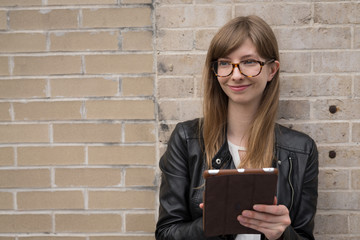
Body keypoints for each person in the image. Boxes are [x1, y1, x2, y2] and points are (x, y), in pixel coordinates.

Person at [155, 15, 318, 240]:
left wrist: (282, 234)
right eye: (224, 63)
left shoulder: (302, 150)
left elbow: (303, 235)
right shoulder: (186, 139)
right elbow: (166, 234)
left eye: (249, 62)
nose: (236, 75)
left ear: (272, 70)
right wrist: (212, 221)